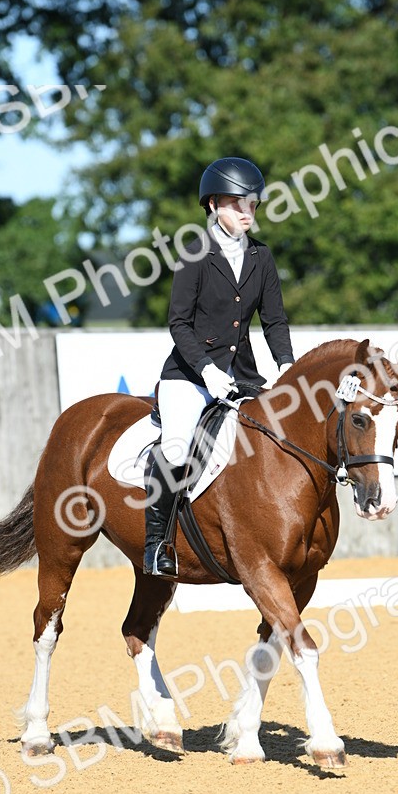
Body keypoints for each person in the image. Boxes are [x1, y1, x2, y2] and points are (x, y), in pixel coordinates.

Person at [143, 156, 295, 576]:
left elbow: (275, 319)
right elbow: (179, 323)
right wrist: (208, 371)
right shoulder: (194, 254)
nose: (247, 213)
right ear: (213, 205)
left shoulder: (261, 257)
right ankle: (157, 544)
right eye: (237, 205)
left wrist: (285, 364)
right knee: (175, 446)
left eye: (252, 205)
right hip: (190, 376)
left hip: (243, 376)